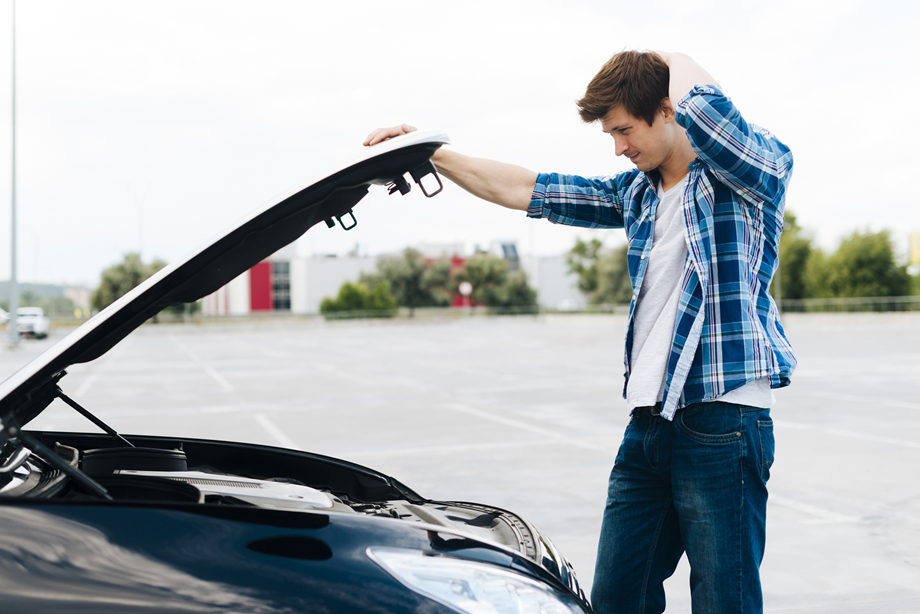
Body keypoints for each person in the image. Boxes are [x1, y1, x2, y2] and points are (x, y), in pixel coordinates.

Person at [365, 50, 795, 614]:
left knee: (724, 602)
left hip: (722, 419)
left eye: (624, 129)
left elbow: (713, 116)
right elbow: (527, 189)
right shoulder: (636, 193)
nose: (618, 146)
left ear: (668, 110)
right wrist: (432, 153)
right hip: (648, 425)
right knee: (616, 598)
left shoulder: (747, 178)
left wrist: (668, 58)